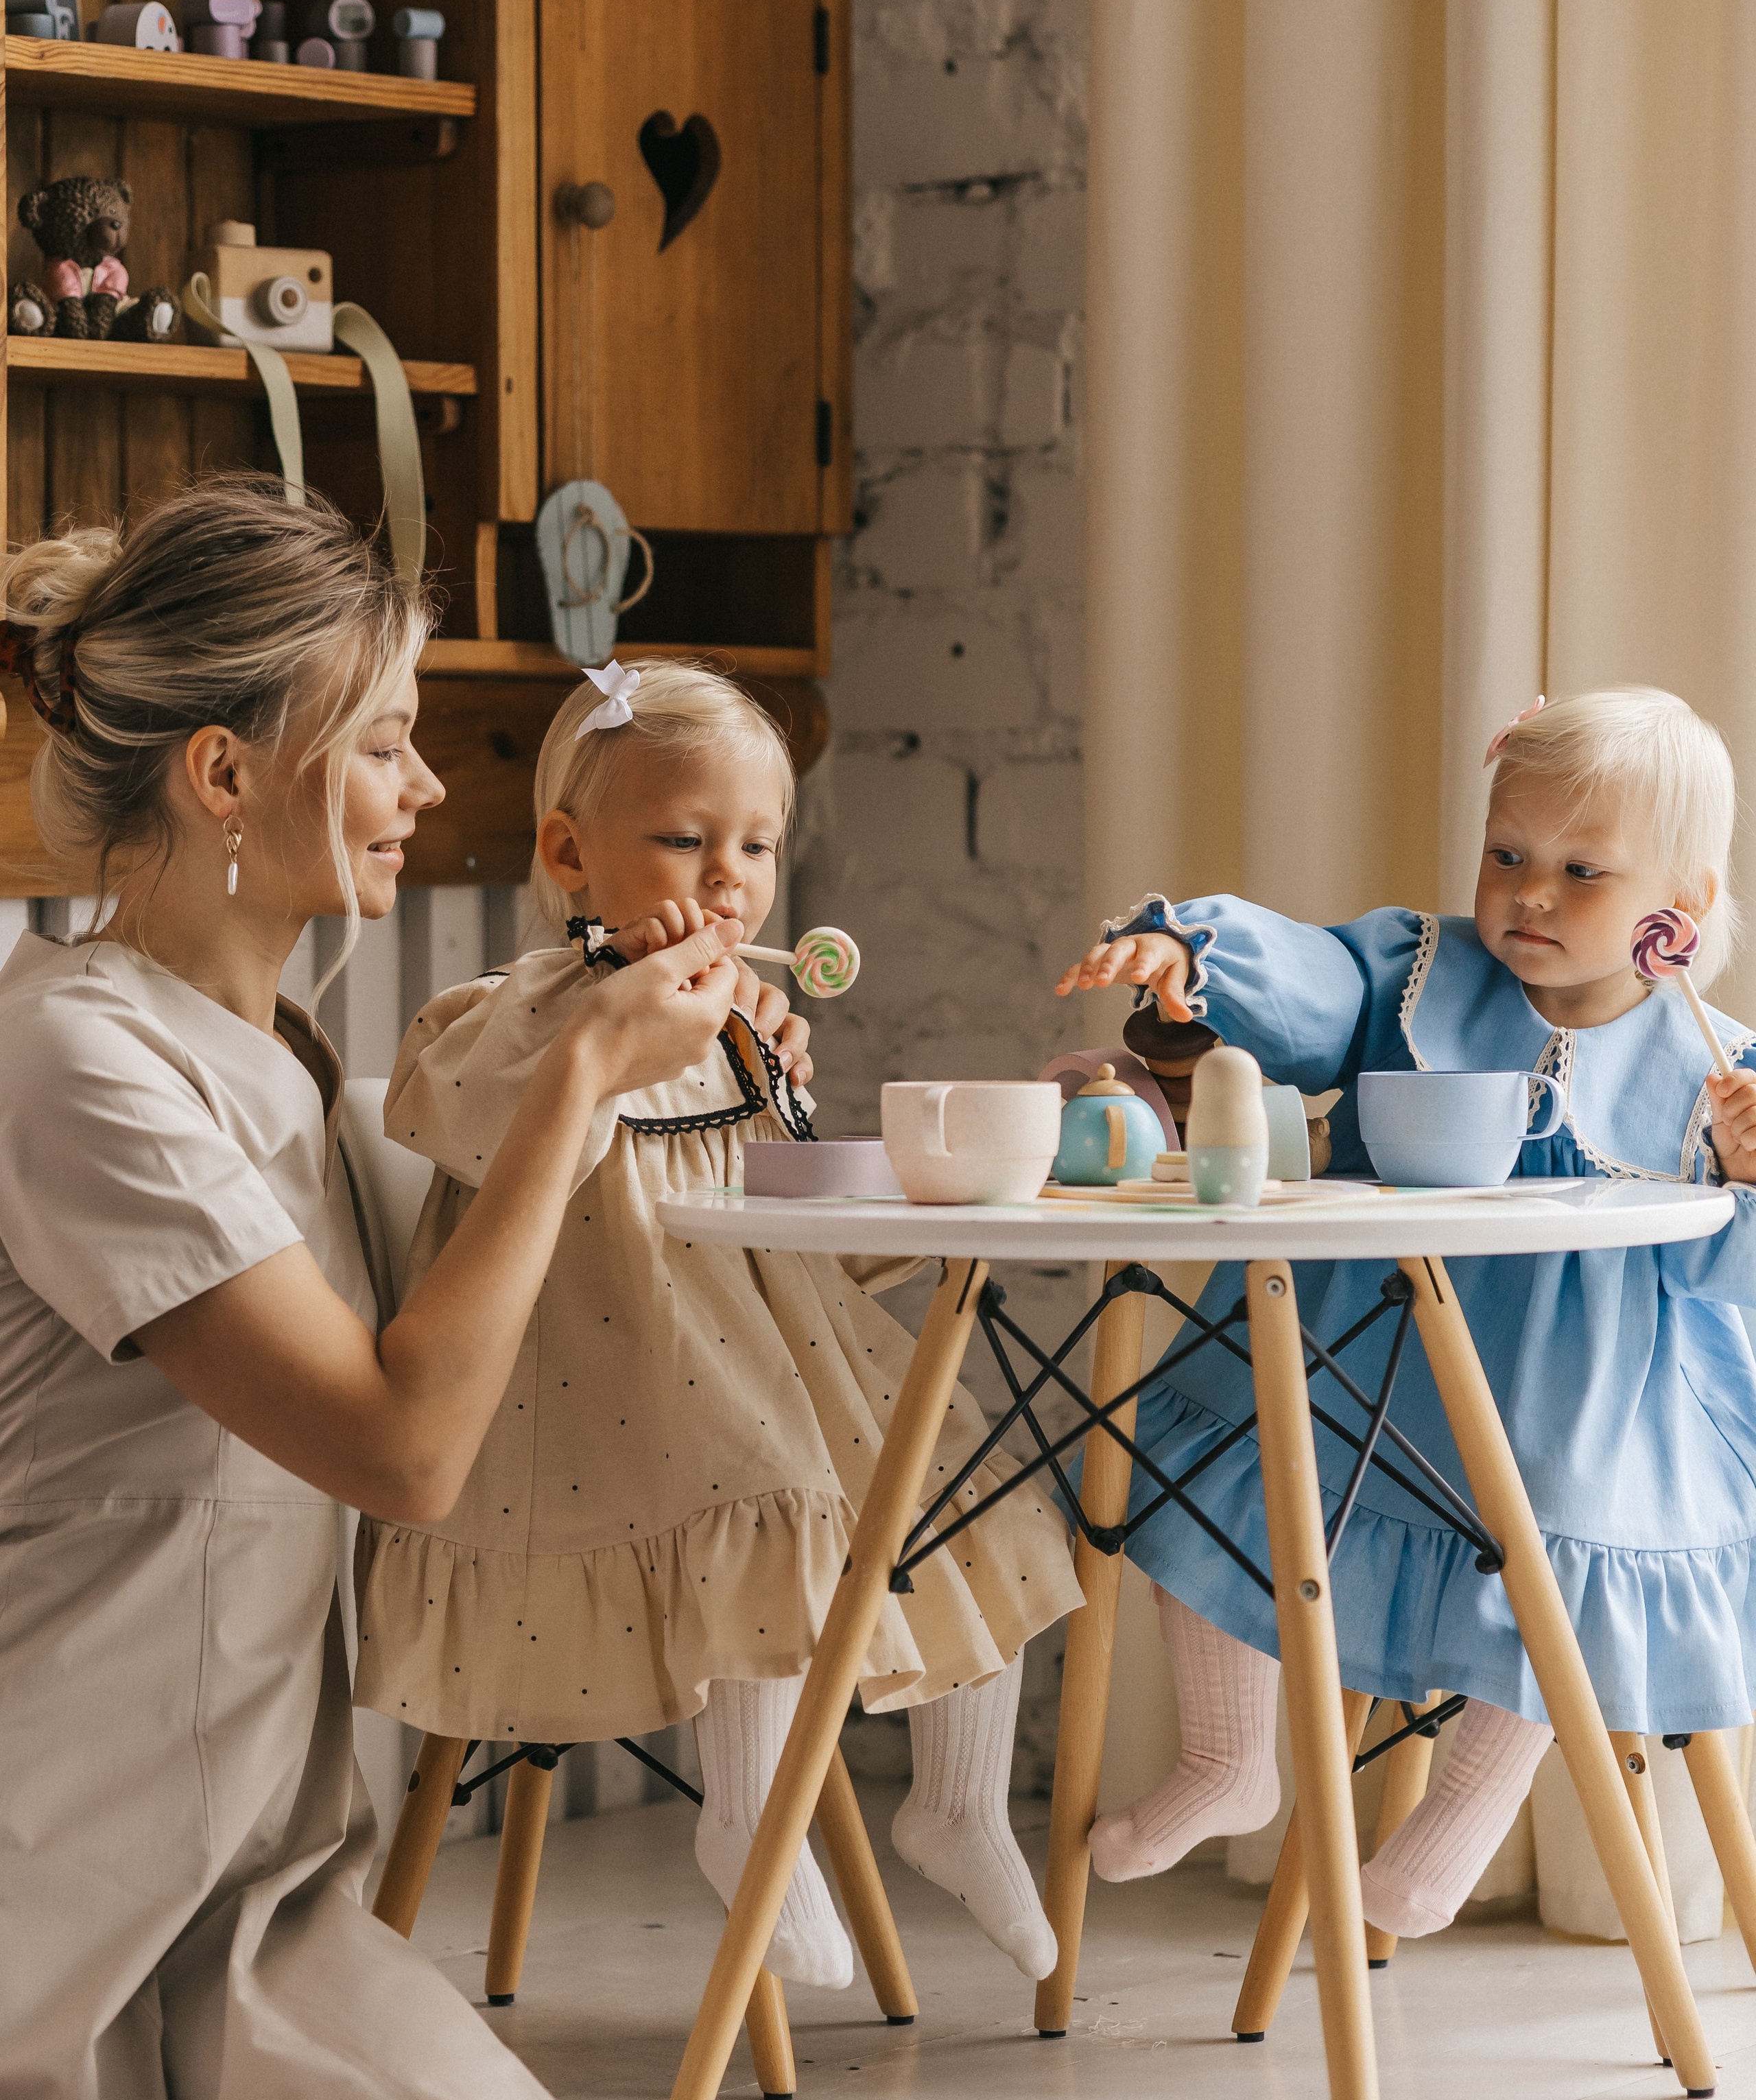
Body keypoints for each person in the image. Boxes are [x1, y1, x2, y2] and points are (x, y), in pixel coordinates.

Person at [0, 482, 751, 2100]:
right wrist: (580, 1081)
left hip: (245, 1874)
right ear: (233, 771)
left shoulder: (299, 1068)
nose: (429, 786)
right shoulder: (71, 1060)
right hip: (62, 1862)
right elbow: (403, 1443)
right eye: (392, 738)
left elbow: (498, 1337)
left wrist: (632, 1045)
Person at [355, 659, 1082, 1988]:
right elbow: (449, 1115)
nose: (728, 876)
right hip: (602, 1373)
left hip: (765, 1340)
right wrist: (598, 1035)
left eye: (754, 843)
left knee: (961, 1482)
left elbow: (776, 1218)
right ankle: (746, 1817)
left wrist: (778, 1091)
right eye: (684, 840)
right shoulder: (522, 1011)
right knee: (769, 1505)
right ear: (571, 856)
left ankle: (958, 1803)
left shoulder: (734, 1022)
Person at [1054, 687, 1756, 1939]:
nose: (1528, 894)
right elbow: (1311, 983)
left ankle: (1467, 1813)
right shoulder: (1418, 971)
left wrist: (1747, 1174)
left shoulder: (1717, 1073)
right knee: (1207, 1455)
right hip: (1362, 1347)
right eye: (1507, 854)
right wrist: (1199, 957)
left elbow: (1723, 1274)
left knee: (1568, 1553)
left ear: (1681, 912)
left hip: (1588, 1393)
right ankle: (1228, 1757)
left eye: (1580, 870)